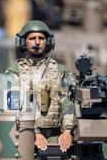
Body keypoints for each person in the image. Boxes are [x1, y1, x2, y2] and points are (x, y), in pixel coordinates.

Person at [5, 20, 76, 153]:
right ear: (22, 42)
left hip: (57, 135)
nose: (37, 42)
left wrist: (67, 131)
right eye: (32, 38)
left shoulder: (61, 71)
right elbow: (12, 108)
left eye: (41, 38)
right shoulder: (14, 73)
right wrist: (35, 132)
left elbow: (68, 102)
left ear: (48, 42)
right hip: (25, 134)